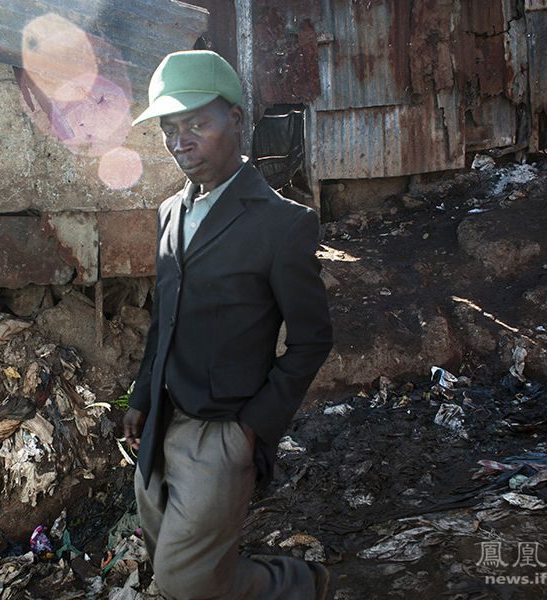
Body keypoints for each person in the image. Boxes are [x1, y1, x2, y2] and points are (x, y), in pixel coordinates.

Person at [124, 50, 333, 600]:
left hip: (222, 429)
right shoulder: (171, 213)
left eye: (197, 123)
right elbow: (161, 319)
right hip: (161, 421)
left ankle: (299, 582)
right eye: (170, 129)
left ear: (236, 120)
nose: (180, 141)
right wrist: (141, 396)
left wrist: (252, 429)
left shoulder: (281, 225)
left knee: (186, 582)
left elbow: (313, 340)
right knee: (164, 550)